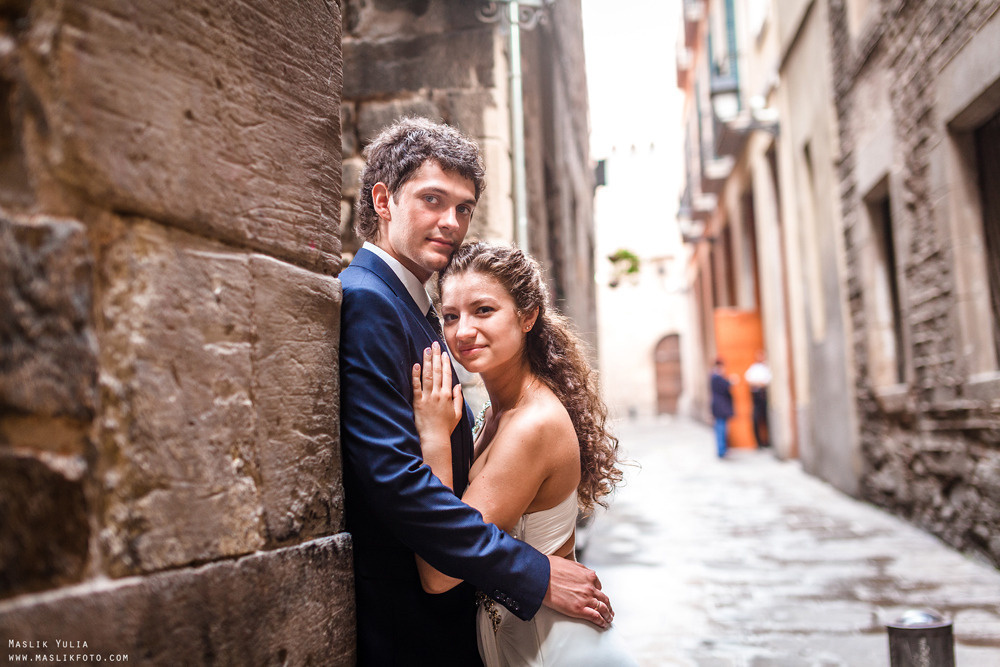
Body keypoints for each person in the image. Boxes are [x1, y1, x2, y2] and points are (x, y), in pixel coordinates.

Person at [338, 117, 613, 666]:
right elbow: (398, 479)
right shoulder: (370, 300)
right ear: (383, 200)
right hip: (407, 617)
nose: (451, 222)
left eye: (463, 208)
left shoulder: (409, 303)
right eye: (434, 200)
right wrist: (533, 573)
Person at [412, 242, 637, 666]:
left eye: (483, 310)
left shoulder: (531, 425)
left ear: (528, 316)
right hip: (521, 633)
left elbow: (440, 572)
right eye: (450, 316)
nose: (462, 332)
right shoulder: (498, 412)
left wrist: (435, 439)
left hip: (553, 645)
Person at [744, 351, 772, 449]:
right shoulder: (753, 368)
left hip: (764, 396)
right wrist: (759, 383)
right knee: (756, 420)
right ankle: (758, 443)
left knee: (767, 419)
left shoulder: (766, 368)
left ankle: (768, 441)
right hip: (756, 397)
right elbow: (750, 380)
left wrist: (759, 383)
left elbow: (767, 381)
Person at [709, 358, 735, 458]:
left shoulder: (714, 376)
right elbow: (725, 387)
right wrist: (730, 382)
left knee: (721, 428)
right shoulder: (716, 377)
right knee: (721, 428)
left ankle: (723, 449)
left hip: (719, 406)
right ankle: (721, 450)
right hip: (720, 406)